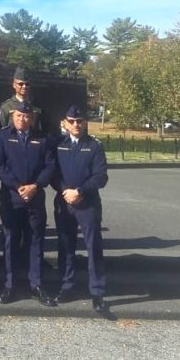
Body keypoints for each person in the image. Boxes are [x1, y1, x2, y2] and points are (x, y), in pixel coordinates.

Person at [0, 101, 57, 307]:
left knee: (35, 241)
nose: (23, 119)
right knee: (10, 241)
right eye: (19, 116)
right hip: (11, 197)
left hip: (35, 198)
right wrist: (17, 186)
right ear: (13, 116)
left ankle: (36, 284)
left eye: (27, 116)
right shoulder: (4, 136)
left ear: (32, 118)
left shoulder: (43, 139)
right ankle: (10, 285)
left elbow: (50, 166)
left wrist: (35, 186)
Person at [52, 105, 109, 313]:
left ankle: (97, 292)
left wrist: (80, 191)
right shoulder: (59, 145)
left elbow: (101, 176)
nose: (76, 124)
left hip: (88, 204)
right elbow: (53, 171)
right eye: (72, 121)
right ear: (65, 123)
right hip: (64, 202)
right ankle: (67, 286)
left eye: (80, 121)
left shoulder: (94, 146)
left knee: (93, 247)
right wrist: (64, 190)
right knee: (65, 246)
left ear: (85, 122)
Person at [0, 67, 46, 134]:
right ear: (14, 85)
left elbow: (43, 128)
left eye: (27, 84)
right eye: (20, 84)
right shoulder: (6, 106)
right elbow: (3, 127)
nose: (24, 86)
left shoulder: (37, 106)